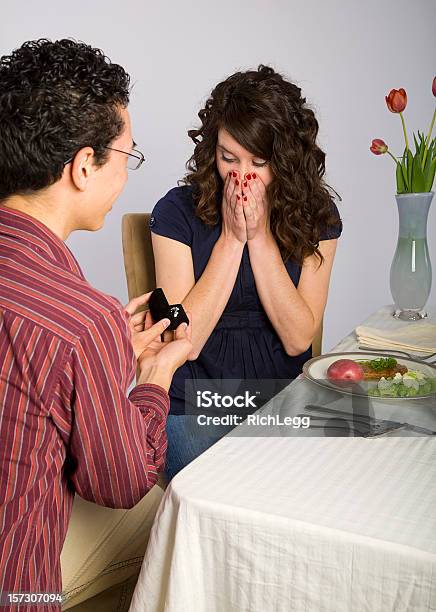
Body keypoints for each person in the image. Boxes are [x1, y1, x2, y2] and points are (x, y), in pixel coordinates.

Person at [0, 39, 192, 610]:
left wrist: (104, 364)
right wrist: (152, 380)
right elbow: (120, 483)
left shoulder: (86, 328)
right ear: (84, 166)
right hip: (18, 585)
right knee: (166, 515)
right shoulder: (84, 320)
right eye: (126, 156)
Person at [149, 65, 343, 480]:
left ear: (286, 161)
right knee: (226, 484)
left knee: (322, 482)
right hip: (193, 402)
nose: (241, 176)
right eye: (228, 158)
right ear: (211, 152)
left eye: (259, 161)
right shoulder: (177, 211)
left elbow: (296, 339)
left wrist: (259, 239)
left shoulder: (316, 216)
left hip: (282, 397)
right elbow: (186, 342)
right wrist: (232, 240)